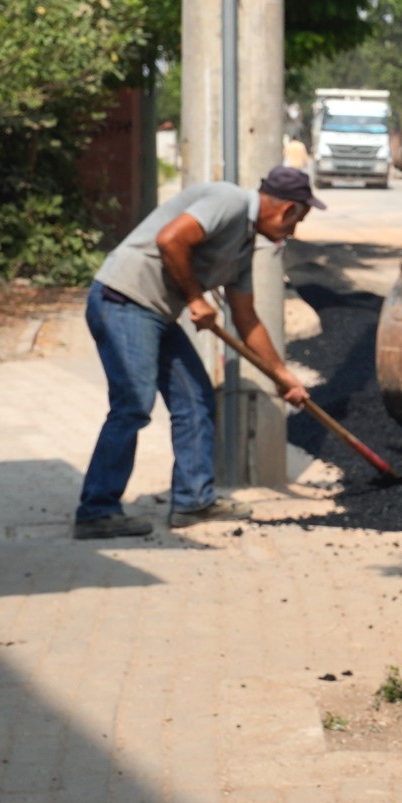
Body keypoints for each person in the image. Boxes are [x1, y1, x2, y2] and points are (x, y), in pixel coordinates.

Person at [72, 167, 321, 540]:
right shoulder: (229, 201)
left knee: (196, 399)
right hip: (122, 301)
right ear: (287, 209)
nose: (294, 230)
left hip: (155, 313)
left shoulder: (242, 250)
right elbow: (170, 239)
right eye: (298, 219)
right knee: (133, 404)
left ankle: (193, 500)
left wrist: (281, 376)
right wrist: (195, 298)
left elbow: (246, 318)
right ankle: (96, 510)